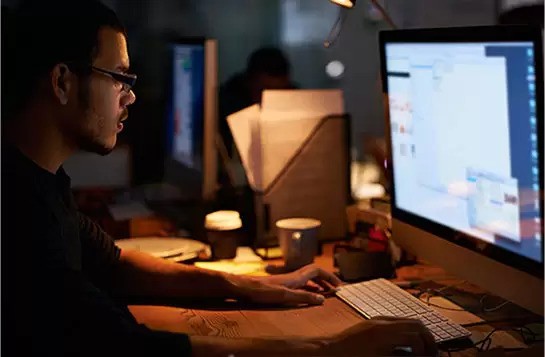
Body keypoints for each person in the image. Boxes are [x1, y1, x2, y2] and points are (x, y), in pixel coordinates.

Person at [1, 1, 438, 356]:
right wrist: (327, 348)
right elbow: (126, 347)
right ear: (61, 82)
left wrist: (256, 286)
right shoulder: (18, 214)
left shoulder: (39, 180)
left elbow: (115, 265)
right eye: (118, 78)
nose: (130, 96)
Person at [218, 47, 296, 158]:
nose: (270, 100)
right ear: (249, 84)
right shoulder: (226, 106)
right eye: (264, 91)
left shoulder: (298, 105)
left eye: (278, 92)